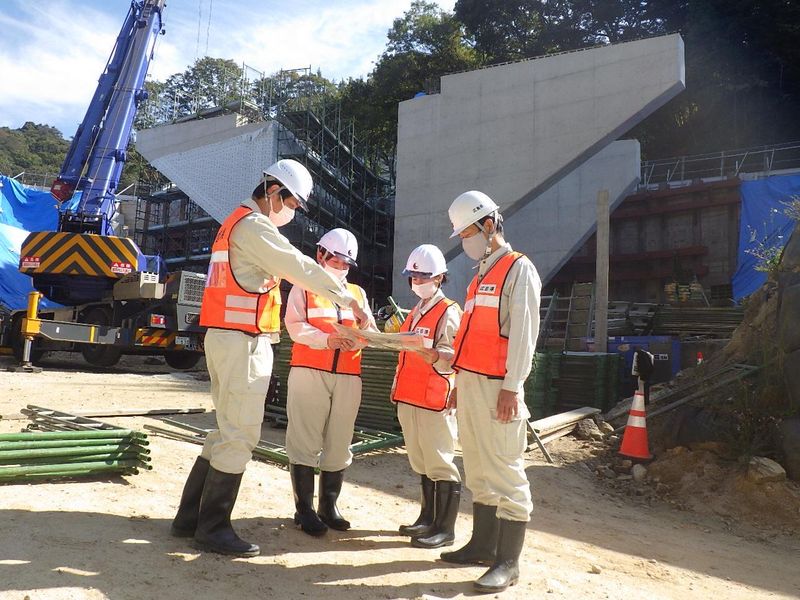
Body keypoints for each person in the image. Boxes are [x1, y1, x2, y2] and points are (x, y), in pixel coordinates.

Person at [170, 159, 368, 557]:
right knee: (241, 433)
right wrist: (345, 295)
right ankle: (212, 528)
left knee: (225, 430)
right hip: (243, 342)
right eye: (293, 205)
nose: (292, 213)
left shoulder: (233, 223)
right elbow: (297, 266)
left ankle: (189, 518)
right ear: (275, 193)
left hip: (226, 338)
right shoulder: (255, 227)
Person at [440, 190, 542, 594]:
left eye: (466, 232)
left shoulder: (519, 269)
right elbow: (472, 336)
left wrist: (512, 387)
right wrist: (457, 383)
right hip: (471, 383)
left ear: (488, 224)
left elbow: (523, 336)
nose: (465, 241)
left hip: (498, 385)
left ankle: (508, 562)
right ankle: (482, 545)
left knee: (506, 470)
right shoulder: (482, 274)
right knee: (480, 468)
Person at [284, 228, 378, 536]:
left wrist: (364, 324)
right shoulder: (304, 287)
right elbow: (295, 327)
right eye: (336, 260)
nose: (340, 268)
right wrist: (328, 340)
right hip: (310, 371)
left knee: (339, 442)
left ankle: (329, 505)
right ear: (320, 255)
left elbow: (371, 335)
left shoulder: (359, 294)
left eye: (346, 264)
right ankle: (304, 510)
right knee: (305, 440)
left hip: (348, 376)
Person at [391, 244, 463, 549]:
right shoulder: (416, 312)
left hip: (434, 398)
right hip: (410, 395)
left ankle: (445, 528)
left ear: (439, 277)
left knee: (440, 461)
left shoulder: (448, 311)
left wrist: (432, 354)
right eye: (413, 276)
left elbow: (455, 355)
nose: (416, 281)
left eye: (422, 276)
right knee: (421, 461)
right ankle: (427, 518)